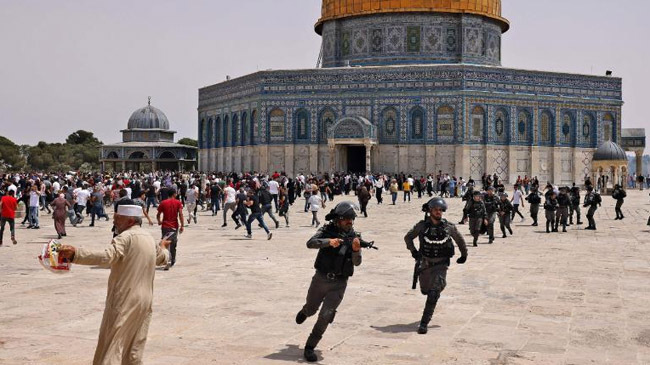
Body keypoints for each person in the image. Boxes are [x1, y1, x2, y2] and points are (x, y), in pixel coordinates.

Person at [58, 205, 171, 365]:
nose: (114, 220)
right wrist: (163, 247)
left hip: (124, 299)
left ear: (130, 220)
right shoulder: (148, 238)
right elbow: (162, 258)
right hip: (145, 300)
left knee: (111, 345)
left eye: (118, 218)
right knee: (135, 346)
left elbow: (107, 256)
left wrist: (76, 254)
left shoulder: (125, 238)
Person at [295, 201, 364, 362]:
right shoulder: (326, 230)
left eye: (352, 219)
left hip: (339, 283)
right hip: (320, 279)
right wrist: (328, 242)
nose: (350, 222)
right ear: (338, 219)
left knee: (326, 315)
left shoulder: (354, 236)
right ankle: (305, 311)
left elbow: (357, 262)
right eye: (347, 218)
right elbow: (310, 243)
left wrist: (355, 250)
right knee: (312, 309)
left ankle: (310, 346)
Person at [404, 197, 468, 334]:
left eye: (440, 210)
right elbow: (408, 237)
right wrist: (414, 252)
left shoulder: (449, 227)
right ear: (430, 211)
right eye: (435, 210)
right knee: (425, 290)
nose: (438, 212)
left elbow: (460, 240)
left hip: (441, 264)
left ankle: (424, 323)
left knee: (434, 292)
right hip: (425, 264)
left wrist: (464, 255)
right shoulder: (422, 226)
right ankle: (434, 291)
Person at [156, 189, 184, 270]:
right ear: (174, 194)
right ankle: (172, 260)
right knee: (173, 244)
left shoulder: (163, 203)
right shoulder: (178, 202)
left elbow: (158, 214)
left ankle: (166, 259)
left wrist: (159, 221)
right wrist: (182, 225)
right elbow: (180, 214)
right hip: (174, 226)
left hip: (165, 226)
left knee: (165, 243)